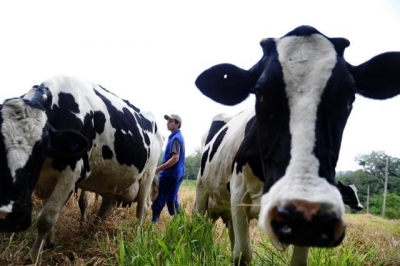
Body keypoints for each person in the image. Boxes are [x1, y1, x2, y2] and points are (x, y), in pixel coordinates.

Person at [151, 114, 185, 223]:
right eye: (168, 121)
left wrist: (158, 169)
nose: (167, 123)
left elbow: (175, 158)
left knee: (160, 197)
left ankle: (154, 223)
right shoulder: (178, 137)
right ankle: (179, 223)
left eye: (171, 121)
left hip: (170, 174)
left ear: (177, 124)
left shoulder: (175, 139)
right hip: (178, 174)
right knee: (171, 198)